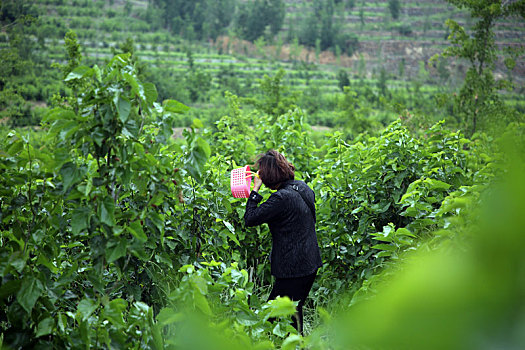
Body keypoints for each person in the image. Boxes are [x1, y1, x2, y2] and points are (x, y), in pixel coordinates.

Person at [244, 150, 322, 335]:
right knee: (295, 312)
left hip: (292, 268)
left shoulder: (281, 198)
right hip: (310, 263)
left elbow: (250, 218)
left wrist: (255, 190)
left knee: (270, 317)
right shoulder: (302, 187)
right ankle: (299, 344)